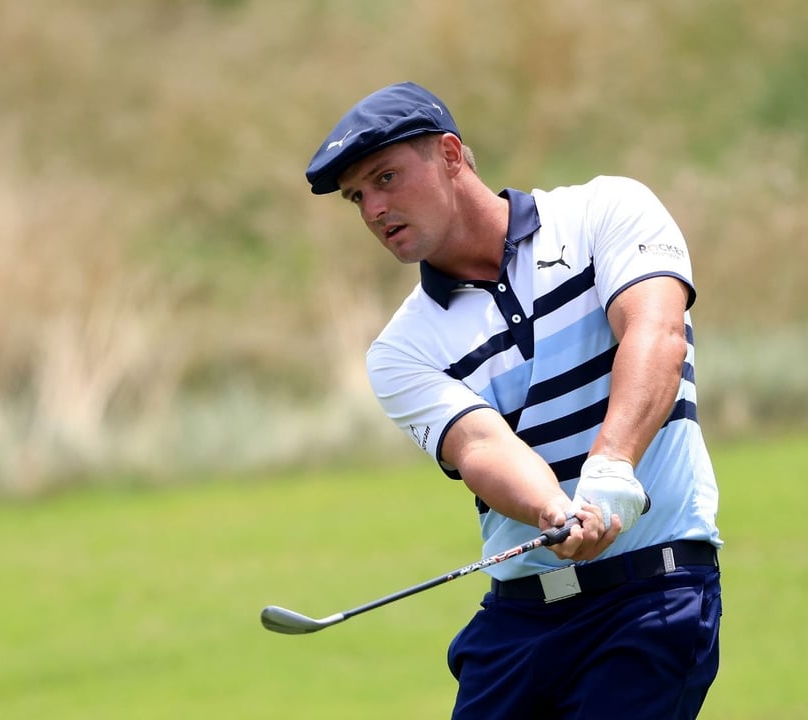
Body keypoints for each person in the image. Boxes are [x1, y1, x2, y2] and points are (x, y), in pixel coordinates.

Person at [304, 81, 723, 719]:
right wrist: (554, 509)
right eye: (357, 196)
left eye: (386, 178)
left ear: (451, 155)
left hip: (652, 596)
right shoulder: (400, 350)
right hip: (519, 624)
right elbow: (480, 446)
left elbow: (656, 333)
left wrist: (612, 466)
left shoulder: (605, 212)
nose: (374, 209)